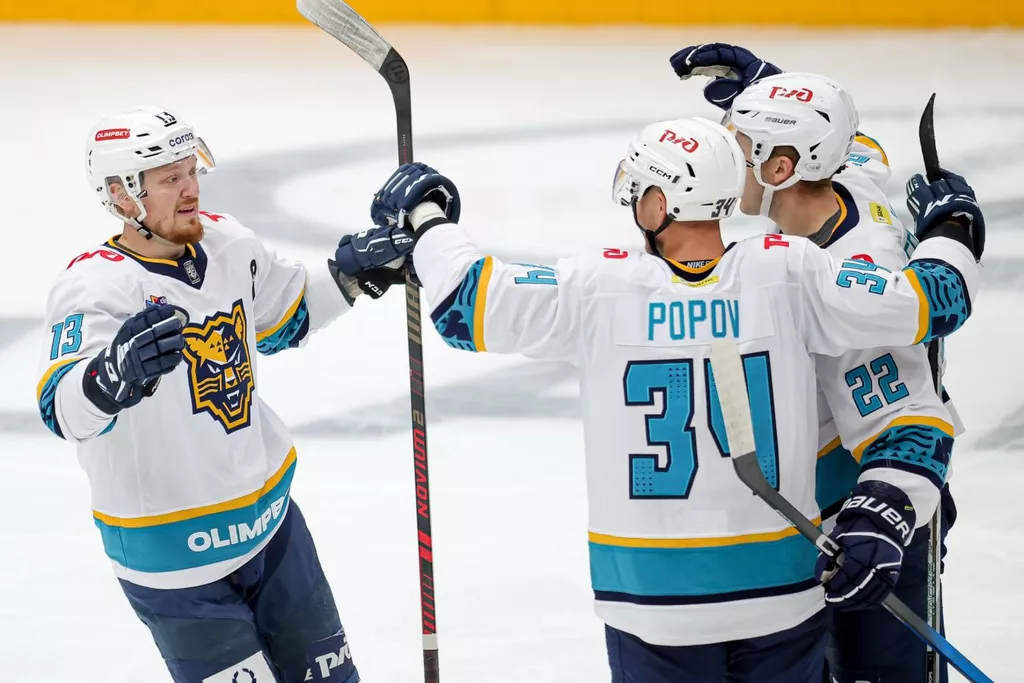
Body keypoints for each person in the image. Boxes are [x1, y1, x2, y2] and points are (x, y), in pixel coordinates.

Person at [330, 116, 984, 682]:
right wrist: (950, 228)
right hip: (782, 592)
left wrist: (428, 220)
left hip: (653, 601)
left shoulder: (598, 287)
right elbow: (936, 301)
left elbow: (464, 303)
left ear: (657, 204)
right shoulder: (788, 270)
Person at [35, 106, 411, 683]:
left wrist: (354, 274)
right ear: (121, 195)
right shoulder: (95, 284)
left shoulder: (229, 242)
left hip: (273, 531)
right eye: (170, 178)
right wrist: (113, 375)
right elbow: (62, 410)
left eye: (192, 171)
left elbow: (285, 318)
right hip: (173, 562)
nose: (191, 189)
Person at [670, 43, 971, 682]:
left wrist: (880, 518)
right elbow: (853, 145)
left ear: (782, 168)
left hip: (874, 526)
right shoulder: (847, 177)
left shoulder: (850, 296)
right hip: (831, 512)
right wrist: (771, 90)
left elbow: (910, 423)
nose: (727, 157)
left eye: (740, 145)